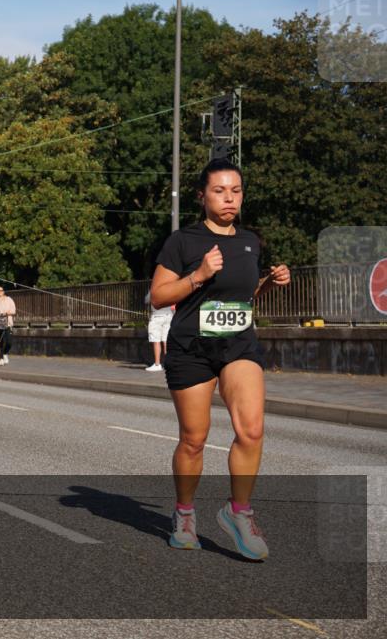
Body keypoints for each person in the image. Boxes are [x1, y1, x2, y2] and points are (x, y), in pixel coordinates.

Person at [150, 158, 290, 561]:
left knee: (251, 429)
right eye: (219, 191)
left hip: (238, 345)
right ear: (202, 196)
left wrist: (268, 284)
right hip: (191, 349)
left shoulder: (250, 241)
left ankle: (239, 512)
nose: (229, 199)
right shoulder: (184, 242)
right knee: (194, 440)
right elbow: (158, 296)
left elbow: (241, 299)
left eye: (236, 191)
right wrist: (199, 275)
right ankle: (185, 514)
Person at [145, 290, 174, 371]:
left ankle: (157, 364)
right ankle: (168, 364)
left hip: (157, 316)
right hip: (169, 315)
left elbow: (147, 300)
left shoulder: (155, 288)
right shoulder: (170, 288)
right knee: (166, 340)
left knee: (156, 340)